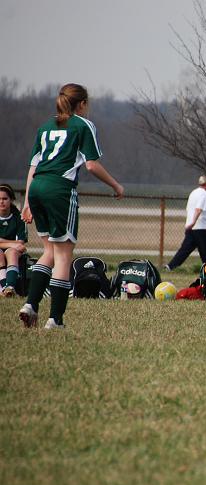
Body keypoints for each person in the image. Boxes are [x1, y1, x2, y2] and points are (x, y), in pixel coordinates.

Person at [19, 83, 124, 329]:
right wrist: (116, 186)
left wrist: (26, 202)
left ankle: (31, 305)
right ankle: (55, 319)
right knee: (64, 256)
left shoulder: (45, 127)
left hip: (37, 188)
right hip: (60, 189)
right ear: (83, 103)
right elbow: (91, 165)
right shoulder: (83, 125)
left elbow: (33, 166)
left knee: (49, 251)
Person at [164, 175, 206, 271]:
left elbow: (190, 209)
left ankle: (171, 266)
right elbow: (198, 209)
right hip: (201, 228)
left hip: (191, 228)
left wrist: (190, 224)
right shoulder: (204, 194)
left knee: (184, 250)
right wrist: (193, 222)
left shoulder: (193, 193)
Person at [0, 184, 28, 297]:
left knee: (12, 252)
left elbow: (21, 243)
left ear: (11, 200)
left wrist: (2, 241)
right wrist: (12, 243)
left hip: (12, 250)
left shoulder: (19, 217)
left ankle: (9, 287)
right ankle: (3, 288)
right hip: (6, 248)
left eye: (5, 199)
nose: (1, 202)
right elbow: (17, 243)